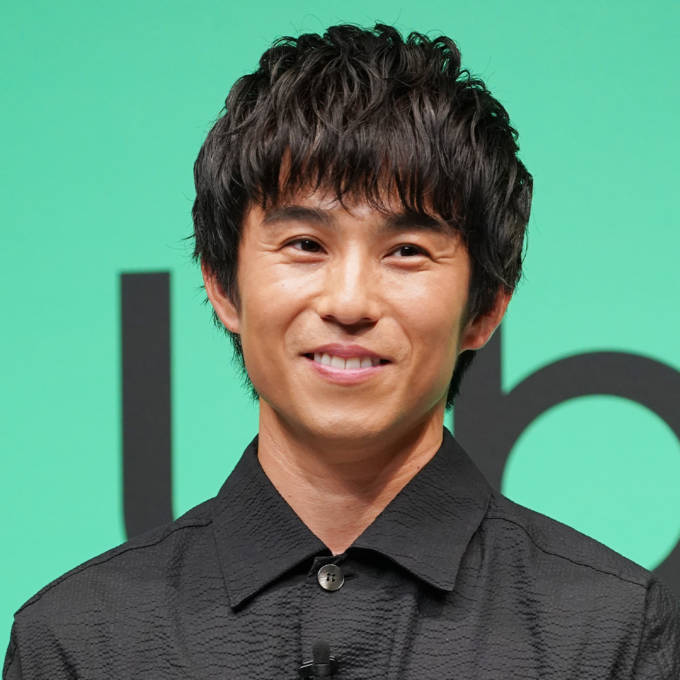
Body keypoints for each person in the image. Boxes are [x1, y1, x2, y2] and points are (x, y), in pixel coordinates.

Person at [4, 22, 679, 680]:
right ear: (223, 286)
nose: (350, 302)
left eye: (406, 251)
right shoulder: (80, 640)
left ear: (485, 309)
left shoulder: (608, 633)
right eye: (305, 244)